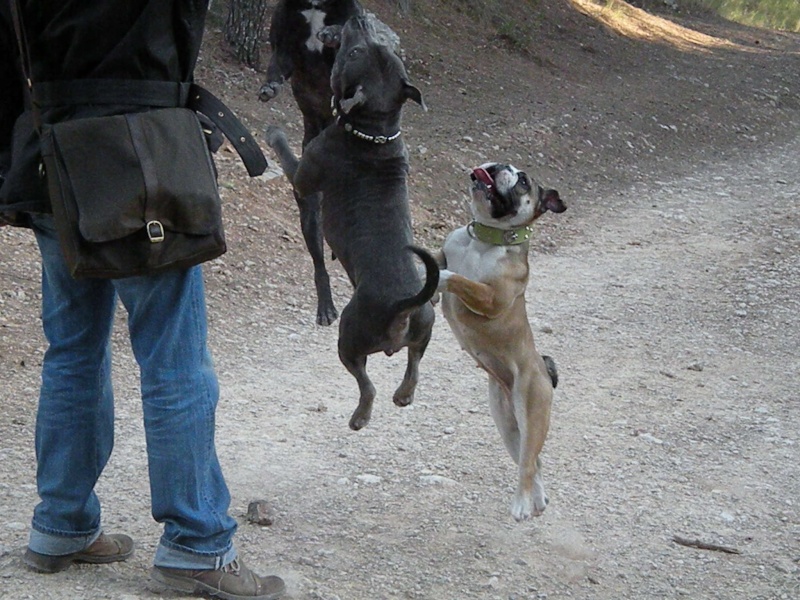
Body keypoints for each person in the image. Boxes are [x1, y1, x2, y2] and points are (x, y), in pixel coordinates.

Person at [0, 2, 285, 599]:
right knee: (175, 361)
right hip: (145, 156)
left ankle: (62, 524)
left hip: (51, 149)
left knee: (72, 349)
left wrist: (13, 158)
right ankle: (197, 544)